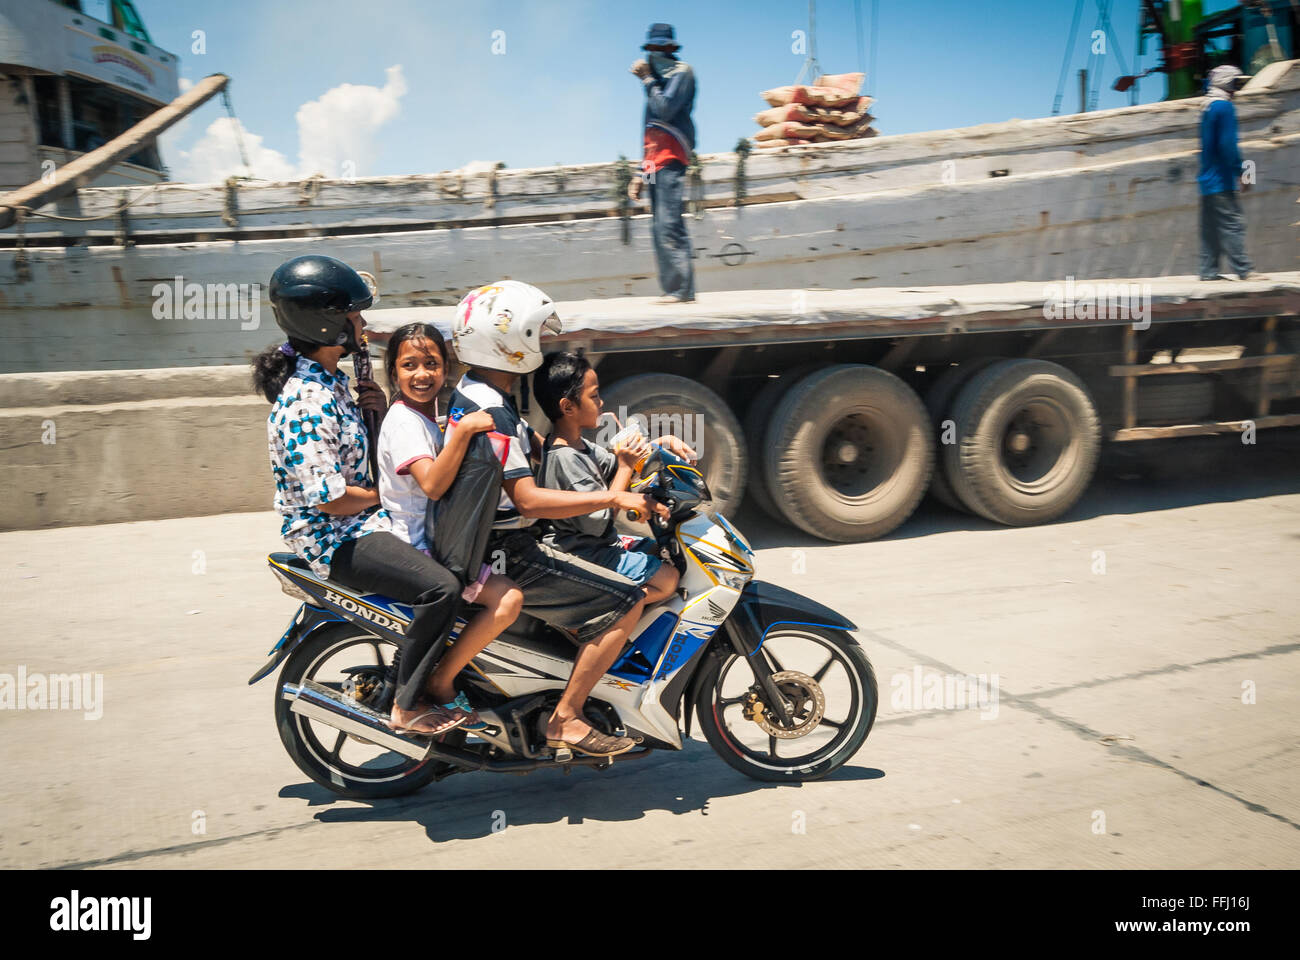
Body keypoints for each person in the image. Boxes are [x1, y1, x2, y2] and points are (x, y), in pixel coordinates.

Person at [449, 281, 669, 757]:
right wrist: (614, 500)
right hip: (507, 550)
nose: (540, 346)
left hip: (492, 543)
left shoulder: (485, 398)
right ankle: (565, 717)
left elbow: (593, 457)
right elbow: (527, 500)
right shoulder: (492, 410)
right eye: (534, 336)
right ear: (509, 342)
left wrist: (659, 447)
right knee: (626, 601)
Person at [251, 255, 467, 738]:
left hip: (360, 522)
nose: (363, 324)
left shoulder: (334, 383)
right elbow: (329, 498)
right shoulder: (306, 401)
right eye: (354, 316)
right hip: (337, 536)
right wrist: (380, 494)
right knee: (442, 589)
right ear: (327, 322)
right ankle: (410, 704)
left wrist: (377, 412)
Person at [375, 321, 525, 730]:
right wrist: (464, 432)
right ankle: (439, 683)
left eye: (431, 363)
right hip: (419, 548)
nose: (422, 374)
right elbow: (434, 485)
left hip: (443, 540)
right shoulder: (406, 422)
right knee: (506, 600)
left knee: (508, 596)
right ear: (394, 374)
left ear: (447, 369)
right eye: (409, 365)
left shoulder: (428, 416)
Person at [532, 350, 694, 607]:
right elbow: (600, 521)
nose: (601, 402)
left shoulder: (578, 446)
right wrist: (625, 467)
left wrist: (661, 444)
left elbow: (612, 465)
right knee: (667, 579)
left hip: (596, 544)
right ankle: (606, 613)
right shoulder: (565, 458)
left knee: (658, 550)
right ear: (568, 406)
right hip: (583, 552)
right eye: (594, 396)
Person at [629, 22, 697, 304]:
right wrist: (639, 175)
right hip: (654, 163)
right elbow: (650, 135)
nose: (655, 54)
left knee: (670, 224)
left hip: (672, 159)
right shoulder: (655, 84)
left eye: (660, 48)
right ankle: (672, 289)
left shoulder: (682, 74)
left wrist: (647, 80)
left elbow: (665, 109)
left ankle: (682, 290)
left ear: (670, 49)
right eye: (652, 49)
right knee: (658, 229)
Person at [1198, 64, 1256, 281]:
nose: (1237, 89)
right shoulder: (1225, 108)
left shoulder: (1208, 107)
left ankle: (1208, 272)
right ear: (1227, 83)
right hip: (1221, 180)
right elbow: (1228, 146)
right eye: (1236, 83)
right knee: (1233, 224)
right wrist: (1245, 172)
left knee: (1210, 231)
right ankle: (1244, 271)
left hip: (1206, 180)